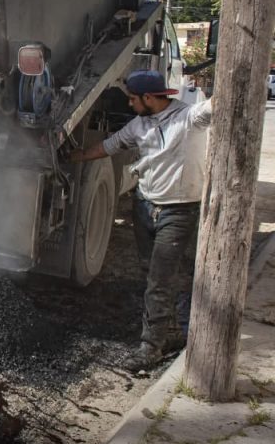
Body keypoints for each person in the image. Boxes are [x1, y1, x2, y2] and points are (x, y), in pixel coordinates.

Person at [68, 70, 212, 371]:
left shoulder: (189, 118)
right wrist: (74, 156)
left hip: (178, 210)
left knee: (160, 279)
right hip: (145, 205)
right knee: (151, 273)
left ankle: (150, 348)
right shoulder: (139, 125)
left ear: (149, 98)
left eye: (134, 99)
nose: (130, 105)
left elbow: (218, 106)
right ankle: (170, 332)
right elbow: (108, 146)